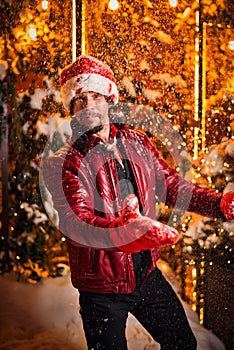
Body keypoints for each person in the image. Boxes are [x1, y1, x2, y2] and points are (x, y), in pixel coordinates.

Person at [42, 55, 234, 350]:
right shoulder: (65, 162)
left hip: (146, 275)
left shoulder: (138, 143)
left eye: (96, 96)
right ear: (72, 110)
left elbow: (172, 186)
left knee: (183, 344)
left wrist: (219, 205)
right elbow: (75, 222)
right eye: (80, 100)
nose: (89, 106)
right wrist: (120, 232)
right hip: (102, 290)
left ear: (110, 99)